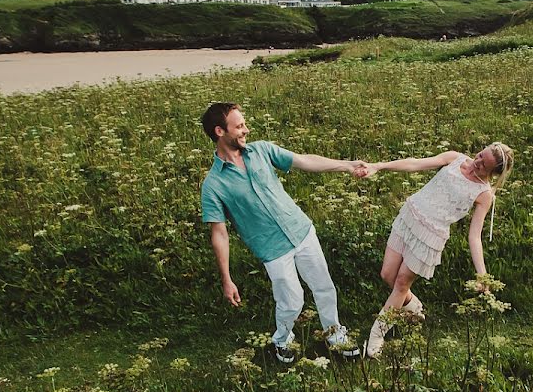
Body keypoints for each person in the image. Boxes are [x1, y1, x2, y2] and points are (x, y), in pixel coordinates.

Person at [200, 102, 363, 363]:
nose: (246, 130)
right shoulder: (213, 185)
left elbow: (304, 161)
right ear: (220, 131)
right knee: (291, 301)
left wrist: (346, 165)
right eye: (239, 126)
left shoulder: (262, 150)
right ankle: (282, 340)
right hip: (272, 249)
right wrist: (226, 279)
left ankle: (335, 335)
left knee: (324, 287)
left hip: (301, 230)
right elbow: (219, 234)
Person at [355, 143, 514, 357]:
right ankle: (413, 307)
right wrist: (379, 166)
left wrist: (482, 275)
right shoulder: (455, 158)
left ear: (493, 173)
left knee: (401, 283)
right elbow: (415, 164)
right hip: (409, 217)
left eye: (484, 165)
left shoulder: (484, 194)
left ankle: (376, 336)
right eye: (479, 156)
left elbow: (474, 236)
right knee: (387, 275)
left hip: (431, 236)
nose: (477, 162)